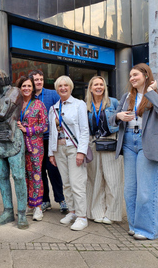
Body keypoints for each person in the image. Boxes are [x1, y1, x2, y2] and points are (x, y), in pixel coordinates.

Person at [111, 63, 158, 240]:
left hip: (148, 143)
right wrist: (118, 116)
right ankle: (135, 226)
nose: (132, 78)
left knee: (147, 190)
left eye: (135, 75)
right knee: (130, 190)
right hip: (129, 142)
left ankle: (147, 230)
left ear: (146, 75)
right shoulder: (127, 96)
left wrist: (150, 92)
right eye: (130, 76)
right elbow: (112, 119)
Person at [0, 70, 28, 229]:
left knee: (18, 176)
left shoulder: (15, 92)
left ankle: (22, 213)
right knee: (2, 176)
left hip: (13, 139)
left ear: (1, 79)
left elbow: (3, 114)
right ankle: (8, 210)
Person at [48, 75, 90, 231]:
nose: (63, 88)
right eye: (60, 86)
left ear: (70, 87)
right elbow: (53, 132)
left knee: (77, 183)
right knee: (66, 183)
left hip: (74, 149)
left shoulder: (79, 104)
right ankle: (72, 212)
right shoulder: (53, 108)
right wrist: (51, 153)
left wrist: (81, 152)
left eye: (65, 85)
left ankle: (82, 216)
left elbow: (85, 130)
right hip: (59, 150)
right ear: (57, 89)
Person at [85, 76, 123, 225]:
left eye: (101, 84)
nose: (99, 87)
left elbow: (122, 123)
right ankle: (97, 211)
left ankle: (112, 213)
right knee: (94, 180)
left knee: (112, 180)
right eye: (96, 84)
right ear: (90, 87)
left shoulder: (113, 102)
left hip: (110, 142)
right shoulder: (86, 105)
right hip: (93, 143)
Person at [29, 70, 67, 214]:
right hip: (35, 141)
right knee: (40, 172)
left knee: (54, 170)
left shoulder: (52, 94)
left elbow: (63, 110)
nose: (39, 82)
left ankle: (61, 199)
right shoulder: (29, 96)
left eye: (41, 79)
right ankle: (45, 201)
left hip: (51, 139)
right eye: (36, 80)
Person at [16, 76, 48, 222]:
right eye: (23, 86)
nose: (26, 88)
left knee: (36, 175)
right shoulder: (16, 104)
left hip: (35, 146)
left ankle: (38, 207)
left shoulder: (39, 104)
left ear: (33, 88)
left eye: (29, 86)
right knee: (23, 175)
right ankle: (29, 204)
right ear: (20, 88)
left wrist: (27, 129)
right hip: (18, 145)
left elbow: (44, 126)